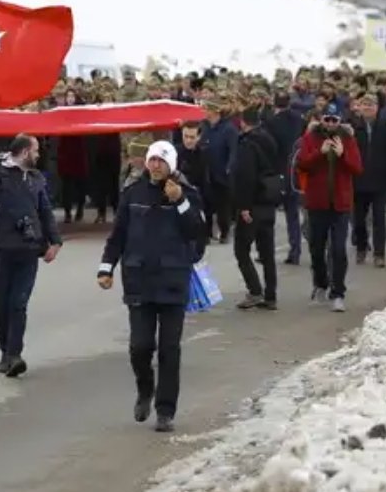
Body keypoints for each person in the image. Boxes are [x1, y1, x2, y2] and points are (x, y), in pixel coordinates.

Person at [97, 141, 206, 433]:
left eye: (161, 160)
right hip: (139, 280)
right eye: (152, 160)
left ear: (171, 164)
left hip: (173, 281)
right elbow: (118, 235)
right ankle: (145, 388)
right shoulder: (133, 194)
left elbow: (197, 232)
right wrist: (106, 267)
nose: (155, 165)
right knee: (140, 346)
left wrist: (179, 201)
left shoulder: (188, 193)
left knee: (170, 349)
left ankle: (165, 411)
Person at [0, 134, 62, 378]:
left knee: (18, 303)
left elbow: (45, 211)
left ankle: (15, 355)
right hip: (2, 250)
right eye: (36, 151)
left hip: (29, 249)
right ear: (24, 152)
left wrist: (55, 241)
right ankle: (5, 351)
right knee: (2, 306)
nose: (38, 155)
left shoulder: (36, 179)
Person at [297, 103, 363, 312]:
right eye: (327, 119)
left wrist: (343, 154)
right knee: (317, 248)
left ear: (340, 121)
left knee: (338, 249)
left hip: (340, 203)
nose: (331, 123)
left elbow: (357, 168)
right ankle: (320, 283)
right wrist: (320, 152)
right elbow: (301, 164)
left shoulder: (348, 138)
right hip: (317, 202)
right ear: (322, 120)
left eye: (335, 120)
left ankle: (338, 292)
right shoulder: (311, 138)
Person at [232, 108, 281, 309]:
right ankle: (271, 295)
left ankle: (254, 291)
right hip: (269, 200)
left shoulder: (246, 144)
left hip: (252, 203)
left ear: (243, 122)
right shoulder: (269, 140)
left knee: (241, 250)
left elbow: (246, 176)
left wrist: (243, 206)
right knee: (267, 252)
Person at [350, 93, 386, 268]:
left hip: (380, 180)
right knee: (359, 220)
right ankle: (361, 248)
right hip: (358, 181)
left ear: (377, 108)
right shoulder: (353, 127)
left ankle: (379, 254)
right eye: (364, 104)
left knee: (379, 219)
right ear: (359, 107)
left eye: (371, 104)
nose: (368, 107)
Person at [264, 92, 304, 265]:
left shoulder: (271, 122)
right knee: (292, 213)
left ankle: (266, 250)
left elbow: (269, 147)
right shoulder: (299, 120)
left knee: (268, 214)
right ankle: (295, 250)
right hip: (295, 170)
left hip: (277, 171)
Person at [201, 100, 237, 244]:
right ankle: (207, 233)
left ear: (215, 112)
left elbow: (233, 151)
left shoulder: (228, 129)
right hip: (207, 172)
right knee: (207, 205)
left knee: (223, 206)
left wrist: (229, 168)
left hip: (222, 173)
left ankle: (224, 232)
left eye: (207, 109)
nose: (205, 112)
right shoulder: (205, 127)